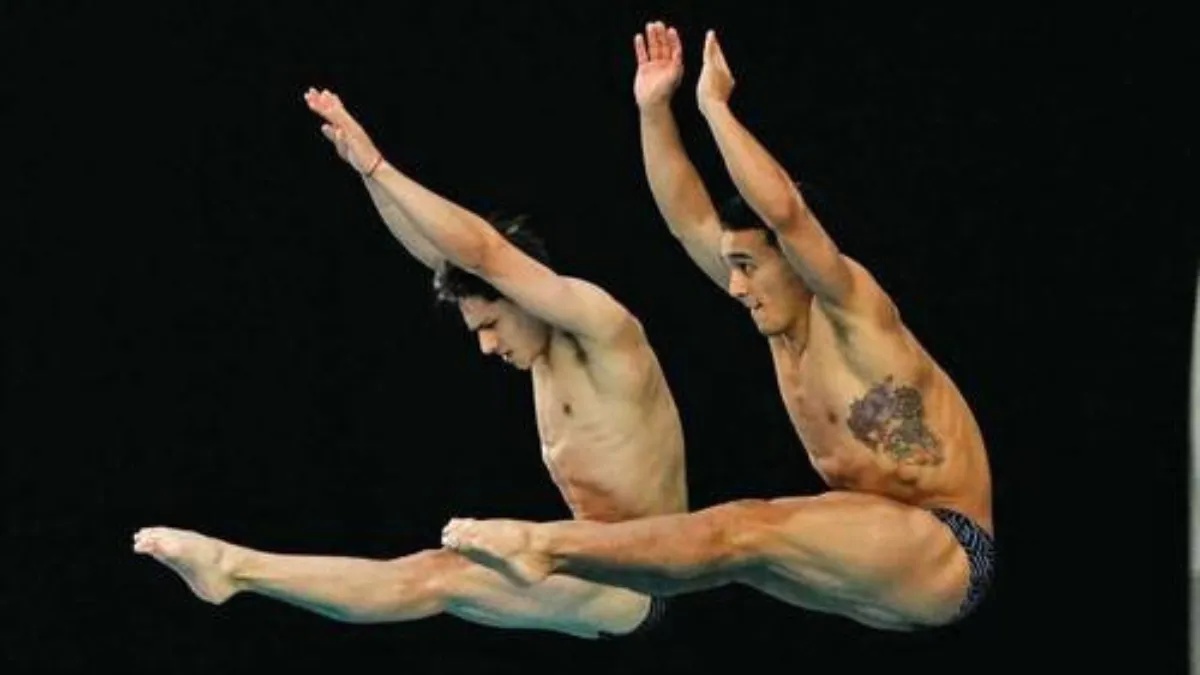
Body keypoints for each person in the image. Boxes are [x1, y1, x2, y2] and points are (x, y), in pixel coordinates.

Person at [441, 22, 995, 632]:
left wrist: (713, 106)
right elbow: (687, 219)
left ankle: (544, 547)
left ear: (793, 261)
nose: (735, 286)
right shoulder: (778, 321)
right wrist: (654, 110)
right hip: (870, 558)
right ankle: (597, 586)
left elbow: (785, 211)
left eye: (747, 267)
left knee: (742, 529)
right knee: (707, 558)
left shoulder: (848, 306)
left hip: (945, 545)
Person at [132, 87, 687, 640]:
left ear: (520, 295)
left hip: (646, 581)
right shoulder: (539, 349)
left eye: (490, 325)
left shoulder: (600, 328)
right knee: (434, 573)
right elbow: (444, 257)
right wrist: (366, 172)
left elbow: (484, 253)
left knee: (440, 579)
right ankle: (234, 569)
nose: (487, 347)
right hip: (595, 568)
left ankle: (236, 570)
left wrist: (382, 166)